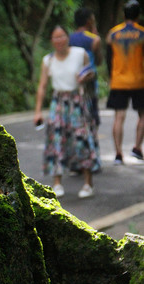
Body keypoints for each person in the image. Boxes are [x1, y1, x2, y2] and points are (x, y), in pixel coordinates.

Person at [33, 25, 99, 199]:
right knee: (56, 139)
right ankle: (57, 183)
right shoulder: (48, 60)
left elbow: (91, 72)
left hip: (77, 101)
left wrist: (86, 77)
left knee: (82, 139)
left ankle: (88, 183)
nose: (59, 40)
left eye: (62, 36)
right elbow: (42, 86)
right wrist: (38, 111)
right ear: (51, 41)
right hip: (58, 102)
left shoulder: (80, 53)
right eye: (55, 37)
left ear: (67, 37)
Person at [106, 0, 144, 164]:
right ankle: (137, 147)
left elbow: (109, 59)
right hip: (139, 81)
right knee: (143, 115)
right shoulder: (142, 33)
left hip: (119, 81)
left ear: (124, 15)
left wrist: (111, 77)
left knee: (119, 117)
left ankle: (118, 154)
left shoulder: (113, 34)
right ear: (138, 16)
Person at [70, 7, 103, 173]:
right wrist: (95, 32)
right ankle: (93, 159)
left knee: (75, 122)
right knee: (91, 121)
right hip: (89, 84)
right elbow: (99, 61)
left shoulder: (68, 39)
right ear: (89, 21)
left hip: (72, 84)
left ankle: (77, 160)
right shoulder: (94, 39)